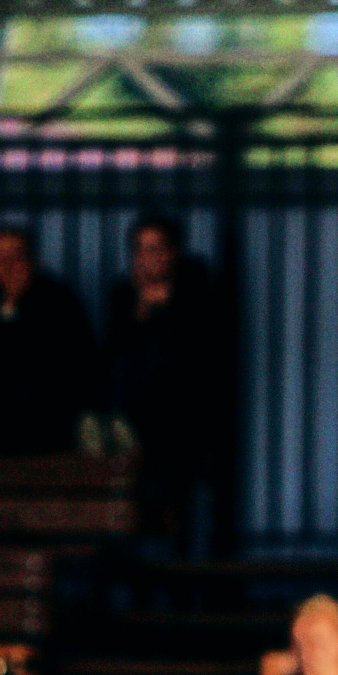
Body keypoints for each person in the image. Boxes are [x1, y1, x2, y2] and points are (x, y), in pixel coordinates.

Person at [104, 214, 237, 535]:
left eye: (156, 248)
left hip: (187, 429)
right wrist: (139, 312)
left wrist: (164, 309)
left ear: (174, 252)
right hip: (135, 427)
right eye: (140, 249)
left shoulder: (197, 290)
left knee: (187, 515)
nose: (148, 259)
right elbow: (113, 354)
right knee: (134, 513)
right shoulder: (124, 296)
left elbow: (202, 355)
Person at [0, 225, 101, 456]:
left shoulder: (58, 302)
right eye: (0, 258)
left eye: (16, 257)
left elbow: (76, 367)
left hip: (53, 428)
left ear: (31, 260)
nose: (8, 266)